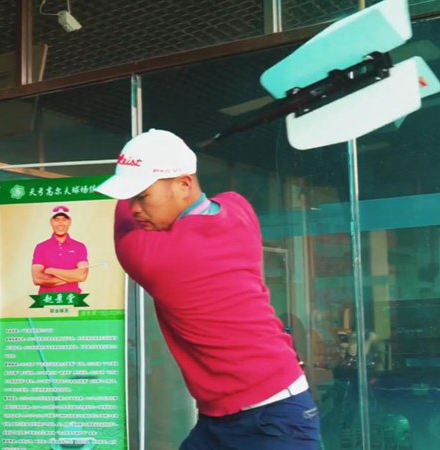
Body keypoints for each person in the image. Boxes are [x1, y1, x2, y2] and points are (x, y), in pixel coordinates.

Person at [95, 129, 320, 449]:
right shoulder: (239, 209)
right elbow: (218, 200)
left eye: (141, 196)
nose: (133, 208)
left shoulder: (156, 258)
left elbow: (122, 221)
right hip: (226, 414)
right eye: (131, 198)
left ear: (184, 184)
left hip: (273, 419)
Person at [31, 205, 89, 294]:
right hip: (46, 299)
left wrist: (51, 270)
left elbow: (81, 276)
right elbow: (37, 279)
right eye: (56, 219)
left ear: (70, 222)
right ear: (51, 222)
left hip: (72, 298)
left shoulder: (79, 247)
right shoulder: (41, 247)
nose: (60, 223)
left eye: (64, 219)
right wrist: (72, 277)